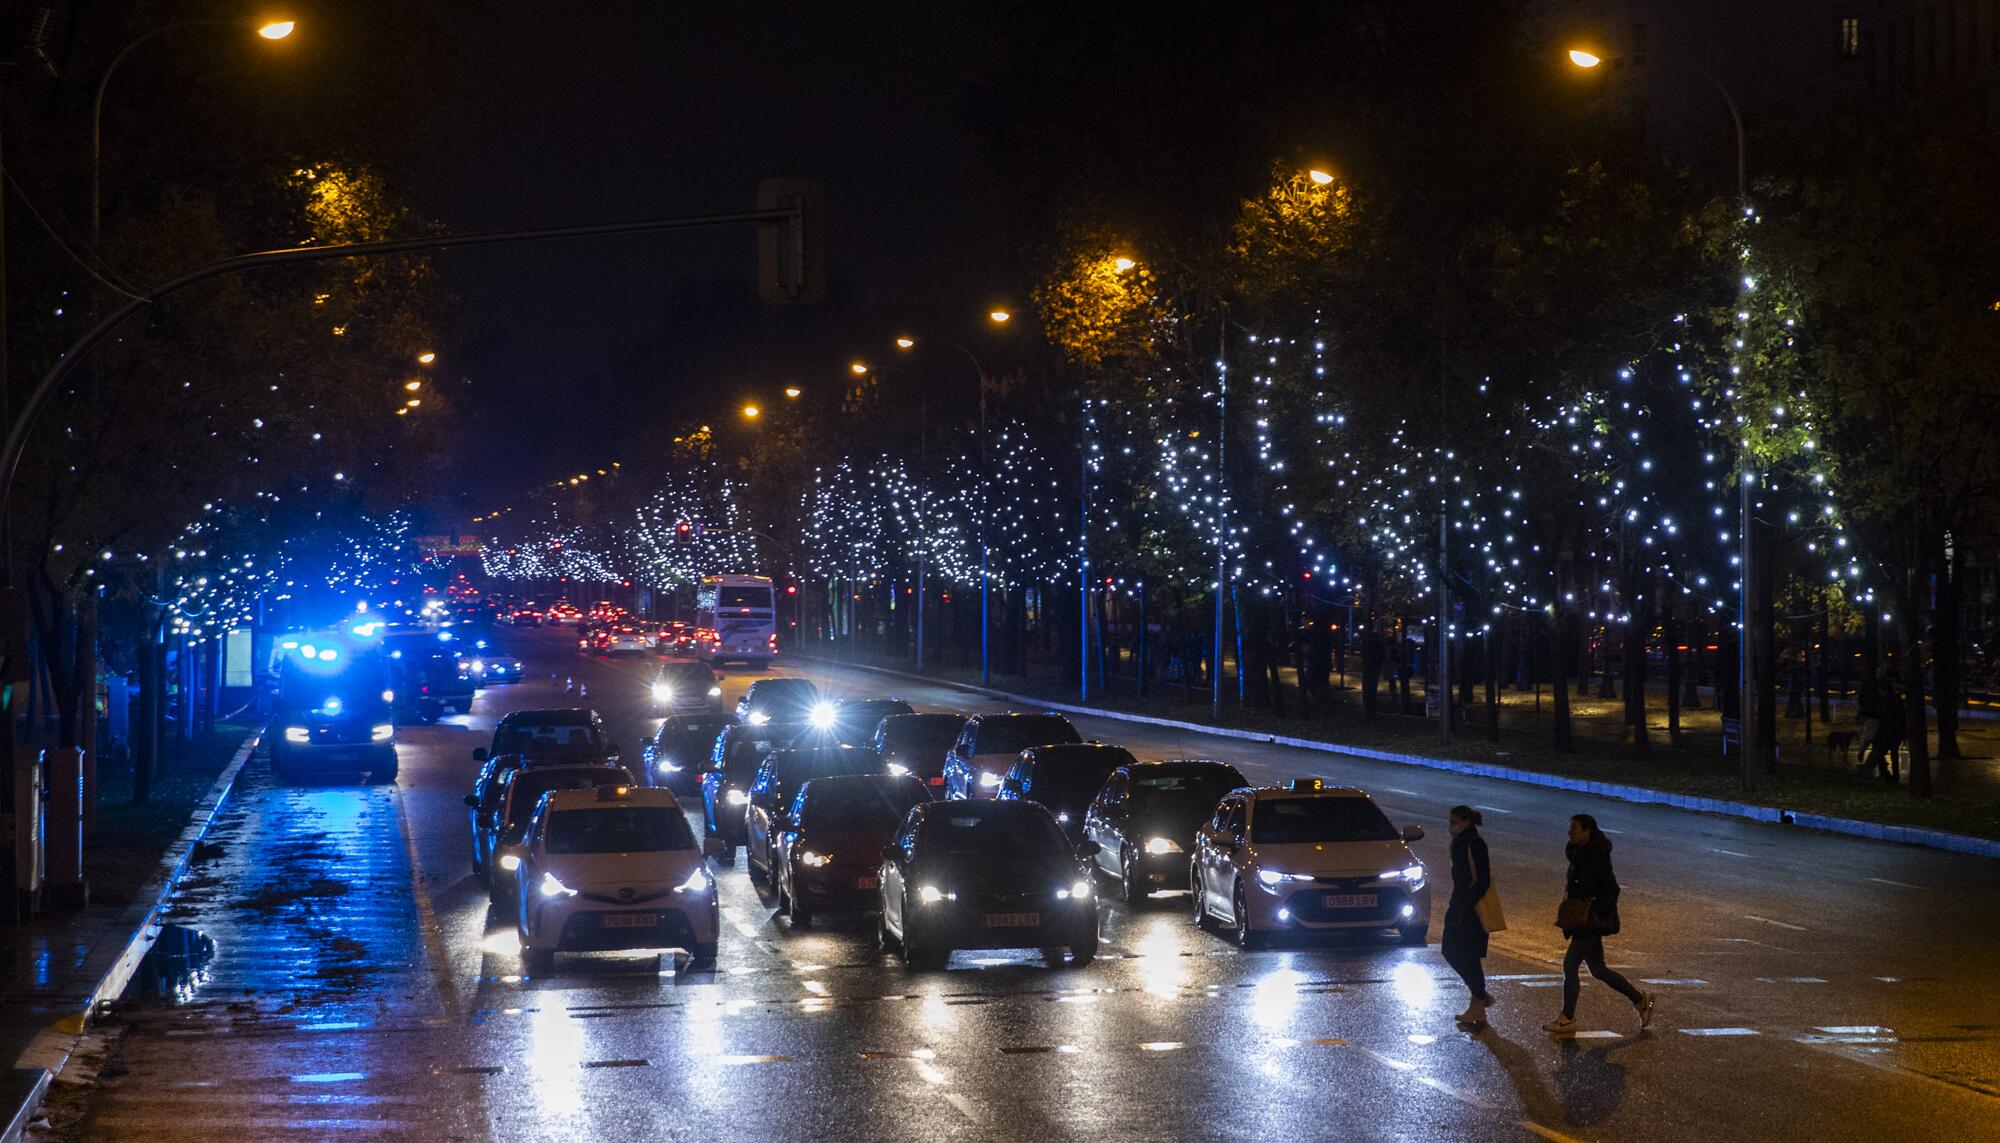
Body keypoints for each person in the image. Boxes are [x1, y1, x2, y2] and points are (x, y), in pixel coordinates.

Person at [1543, 814, 1655, 1034]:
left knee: (1570, 965)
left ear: (1588, 831)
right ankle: (1640, 1000)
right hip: (1581, 919)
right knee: (1599, 969)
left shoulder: (1597, 857)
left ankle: (1567, 1018)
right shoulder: (1578, 853)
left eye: (1574, 829)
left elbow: (1612, 889)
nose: (1570, 832)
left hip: (1589, 921)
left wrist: (1594, 911)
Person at [1441, 805, 1496, 1026]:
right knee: (1450, 950)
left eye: (1454, 822)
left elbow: (1483, 879)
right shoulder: (1459, 844)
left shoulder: (1474, 844)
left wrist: (1465, 905)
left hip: (1471, 910)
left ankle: (1478, 1002)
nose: (1451, 826)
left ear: (1466, 822)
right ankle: (1479, 994)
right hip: (1459, 905)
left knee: (1466, 954)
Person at [1870, 680, 1906, 784]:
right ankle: (1894, 777)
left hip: (1889, 732)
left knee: (1880, 753)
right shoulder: (1895, 700)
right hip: (1895, 732)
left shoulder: (1888, 702)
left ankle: (1888, 775)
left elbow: (1886, 719)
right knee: (1893, 755)